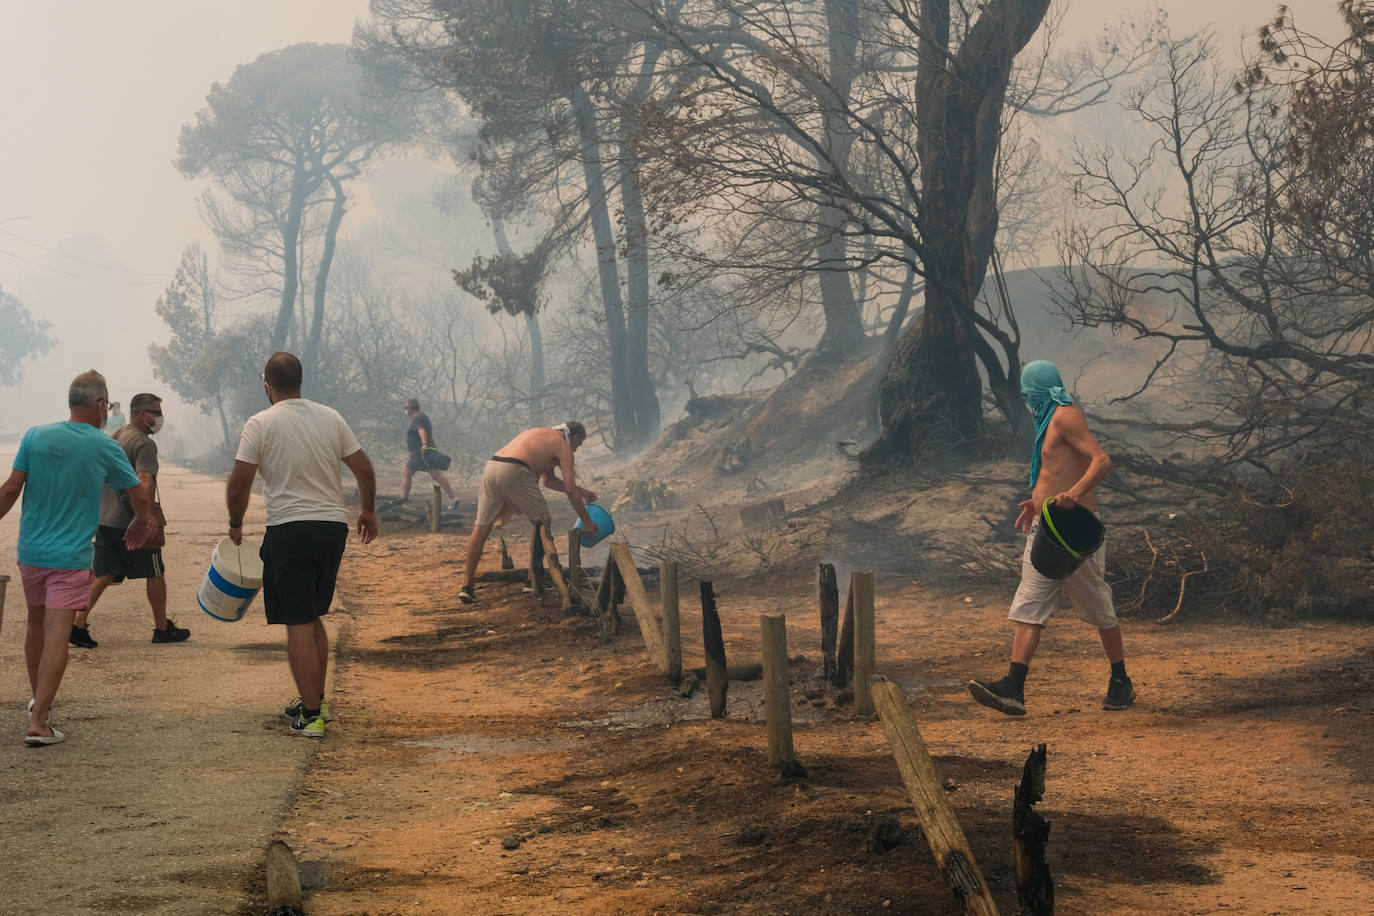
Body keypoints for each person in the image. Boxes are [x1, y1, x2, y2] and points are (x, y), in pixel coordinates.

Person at [968, 360, 1135, 716]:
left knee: (1098, 606)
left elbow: (1101, 461)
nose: (1027, 398)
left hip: (1075, 531)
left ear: (1039, 388)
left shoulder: (1065, 415)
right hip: (1046, 527)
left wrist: (1074, 492)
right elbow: (1056, 467)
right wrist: (1037, 500)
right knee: (1029, 603)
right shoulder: (1048, 421)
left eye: (1029, 391)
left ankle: (1120, 680)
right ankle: (1014, 689)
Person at [225, 352, 377, 739]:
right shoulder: (331, 417)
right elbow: (363, 467)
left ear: (267, 386)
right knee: (311, 616)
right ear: (301, 381)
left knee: (297, 623)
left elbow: (239, 482)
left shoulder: (260, 423)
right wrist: (368, 512)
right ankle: (317, 700)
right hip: (331, 529)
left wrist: (236, 521)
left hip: (289, 530)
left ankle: (311, 716)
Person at [0, 370, 155, 746]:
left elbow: (10, 489)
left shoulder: (36, 436)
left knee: (36, 624)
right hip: (69, 557)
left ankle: (41, 702)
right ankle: (39, 723)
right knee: (57, 632)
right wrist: (141, 521)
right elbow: (137, 491)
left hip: (32, 553)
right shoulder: (103, 446)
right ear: (101, 405)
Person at [74, 392, 190, 648]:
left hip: (104, 517)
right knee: (155, 571)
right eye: (156, 412)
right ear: (141, 414)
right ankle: (162, 628)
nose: (160, 418)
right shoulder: (144, 444)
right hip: (131, 520)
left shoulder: (115, 437)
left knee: (105, 573)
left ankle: (78, 623)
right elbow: (144, 479)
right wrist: (144, 516)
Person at [458, 422, 597, 604]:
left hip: (492, 467)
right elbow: (570, 489)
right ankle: (534, 580)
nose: (576, 450)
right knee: (542, 522)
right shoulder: (563, 447)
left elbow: (549, 481)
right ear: (576, 437)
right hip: (515, 469)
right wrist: (586, 520)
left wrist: (583, 491)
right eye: (578, 445)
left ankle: (467, 586)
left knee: (481, 528)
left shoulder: (545, 435)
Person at [401, 397, 457, 509]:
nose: (405, 410)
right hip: (426, 452)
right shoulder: (422, 416)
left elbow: (421, 431)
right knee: (436, 474)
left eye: (405, 408)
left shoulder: (416, 418)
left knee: (407, 473)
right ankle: (453, 498)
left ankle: (403, 501)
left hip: (419, 453)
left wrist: (424, 444)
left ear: (409, 408)